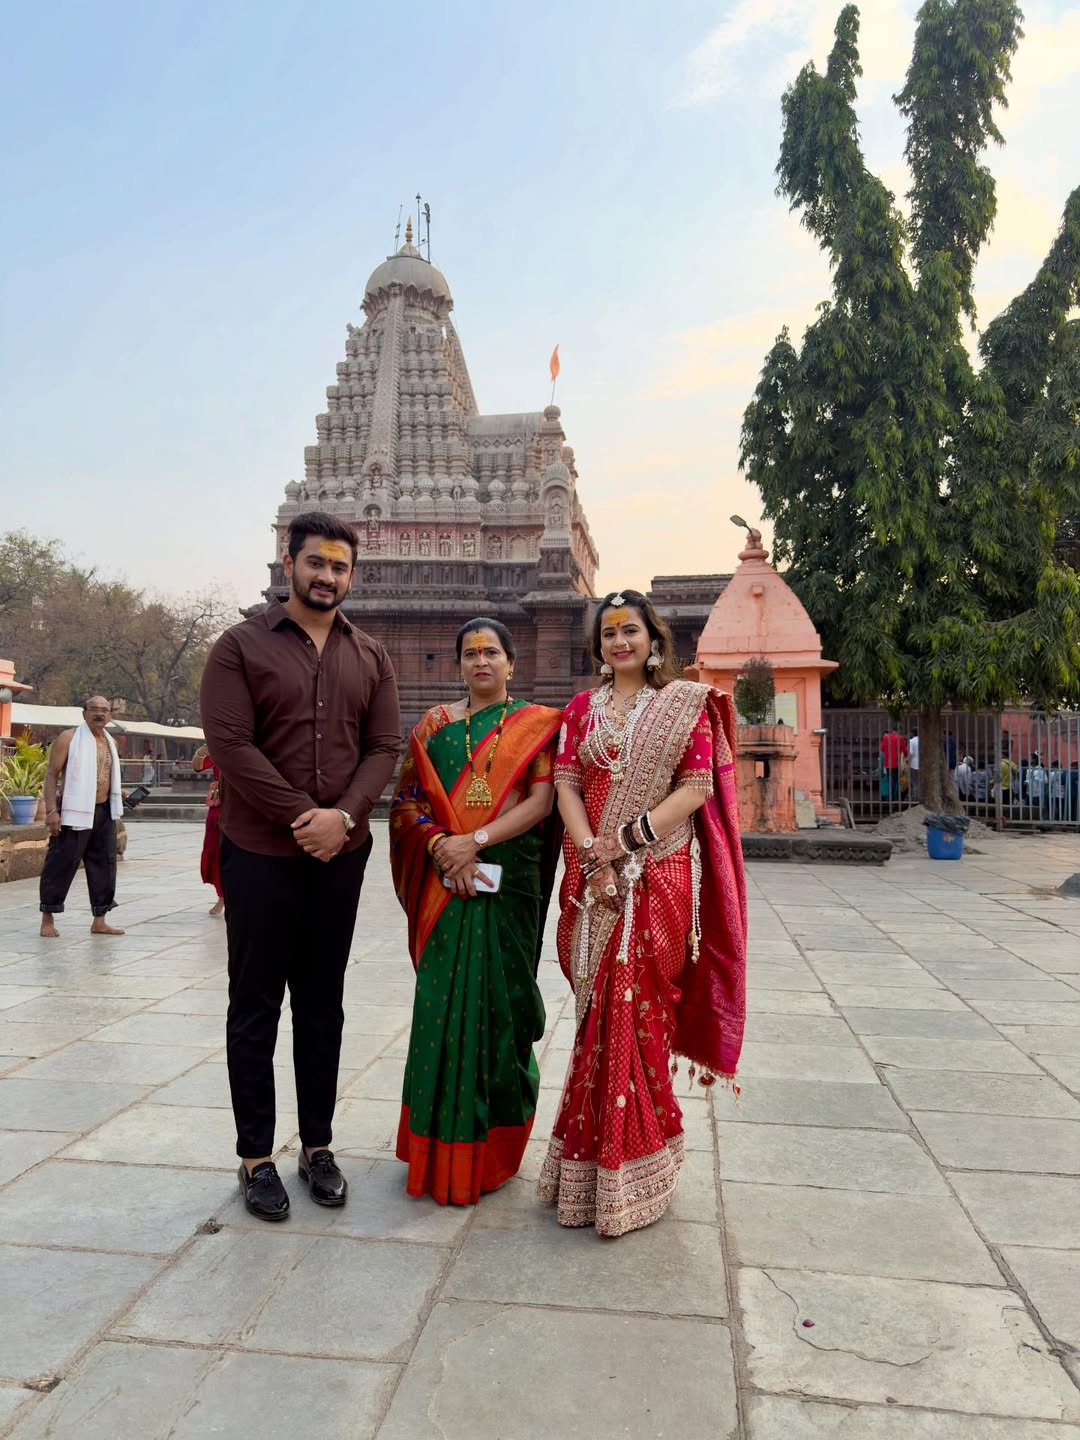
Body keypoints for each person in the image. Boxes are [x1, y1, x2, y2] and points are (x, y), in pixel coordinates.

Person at [200, 511, 401, 1222]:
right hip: (259, 852)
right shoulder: (239, 648)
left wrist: (342, 817)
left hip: (338, 858)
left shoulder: (370, 655)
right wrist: (302, 816)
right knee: (254, 1003)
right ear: (289, 563)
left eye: (340, 566)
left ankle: (317, 1145)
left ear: (353, 574)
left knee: (322, 1003)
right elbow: (230, 744)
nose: (328, 576)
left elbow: (384, 747)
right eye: (316, 562)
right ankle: (256, 1156)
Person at [537, 590, 747, 1237]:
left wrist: (625, 839)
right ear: (597, 646)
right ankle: (584, 1165)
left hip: (657, 872)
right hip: (594, 872)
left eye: (630, 631)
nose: (620, 642)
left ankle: (641, 1163)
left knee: (641, 1012)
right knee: (596, 1018)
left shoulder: (683, 705)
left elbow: (697, 787)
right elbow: (566, 784)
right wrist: (589, 848)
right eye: (608, 634)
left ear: (653, 640)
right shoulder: (579, 710)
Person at [389, 618, 562, 1205]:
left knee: (498, 1010)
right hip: (446, 887)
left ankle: (491, 1152)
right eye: (469, 653)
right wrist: (442, 846)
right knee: (440, 1012)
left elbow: (541, 802)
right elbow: (408, 801)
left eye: (491, 652)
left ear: (512, 663)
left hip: (504, 886)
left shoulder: (535, 726)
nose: (480, 661)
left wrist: (475, 841)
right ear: (459, 664)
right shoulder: (434, 727)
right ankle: (432, 1145)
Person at [38, 696, 127, 939]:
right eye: (94, 709)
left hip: (103, 811)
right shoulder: (68, 738)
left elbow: (106, 775)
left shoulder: (110, 743)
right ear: (84, 713)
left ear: (110, 715)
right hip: (73, 811)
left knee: (105, 864)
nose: (99, 714)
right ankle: (48, 917)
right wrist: (51, 811)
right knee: (61, 863)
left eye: (104, 710)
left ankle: (100, 919)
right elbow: (51, 774)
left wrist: (119, 791)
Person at [191, 744, 224, 916]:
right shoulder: (219, 743)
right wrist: (202, 751)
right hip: (219, 805)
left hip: (243, 802)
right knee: (215, 849)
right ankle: (222, 896)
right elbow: (198, 766)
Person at [879, 726, 908, 802]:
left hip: (887, 762)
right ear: (899, 730)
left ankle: (890, 797)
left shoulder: (886, 738)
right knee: (895, 780)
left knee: (890, 779)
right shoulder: (900, 738)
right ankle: (893, 797)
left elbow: (882, 748)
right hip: (896, 762)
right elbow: (905, 751)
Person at [907, 731, 919, 802]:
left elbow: (910, 752)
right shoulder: (922, 741)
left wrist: (908, 760)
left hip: (913, 764)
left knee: (914, 782)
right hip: (921, 764)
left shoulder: (911, 741)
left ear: (912, 733)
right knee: (920, 781)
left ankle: (915, 797)